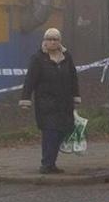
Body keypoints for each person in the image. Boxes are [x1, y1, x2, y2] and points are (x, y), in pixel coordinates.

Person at [19, 27, 81, 174]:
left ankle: (51, 163)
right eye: (49, 39)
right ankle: (46, 163)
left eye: (55, 39)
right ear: (44, 41)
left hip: (64, 103)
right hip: (46, 104)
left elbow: (73, 77)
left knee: (62, 131)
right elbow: (30, 80)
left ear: (60, 42)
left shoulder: (67, 57)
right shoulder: (38, 59)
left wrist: (75, 95)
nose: (52, 42)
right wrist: (25, 99)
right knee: (50, 132)